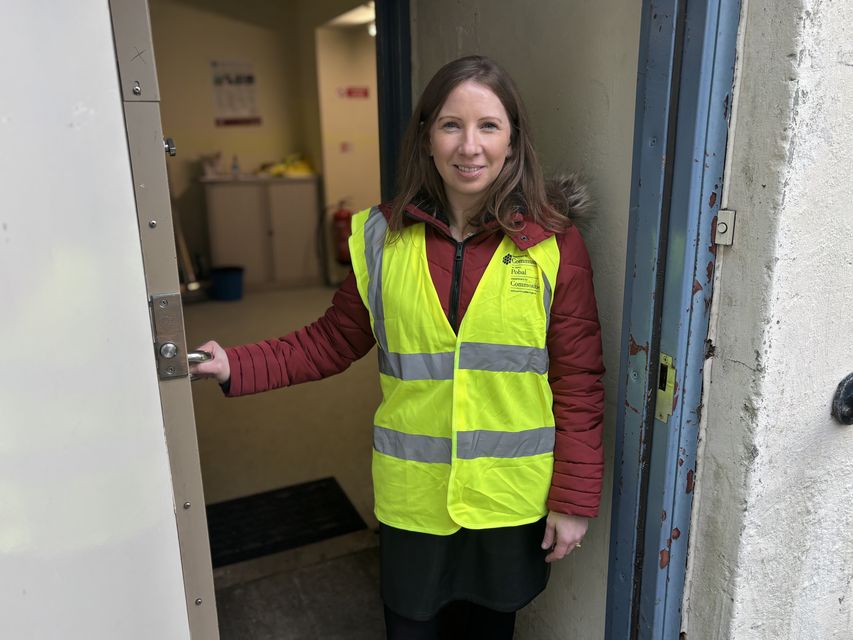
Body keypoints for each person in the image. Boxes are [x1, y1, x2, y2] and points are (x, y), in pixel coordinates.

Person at [192, 55, 605, 640]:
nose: (470, 146)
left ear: (513, 142)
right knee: (411, 626)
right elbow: (330, 342)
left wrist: (573, 500)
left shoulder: (554, 243)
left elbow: (580, 379)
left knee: (489, 630)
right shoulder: (381, 239)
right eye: (450, 125)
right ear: (426, 137)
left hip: (510, 497)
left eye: (488, 126)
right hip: (415, 500)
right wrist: (236, 362)